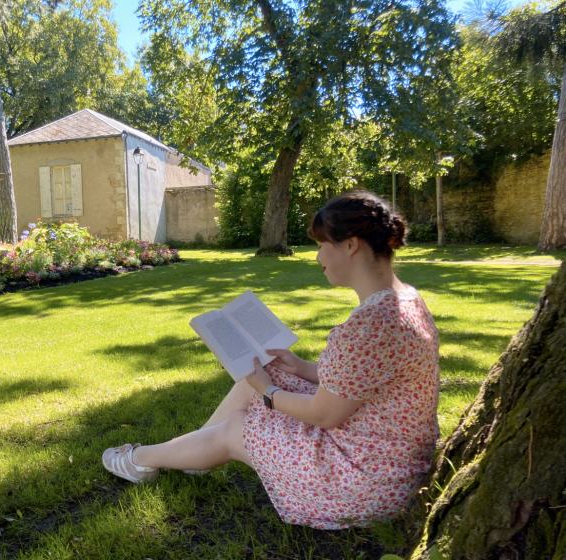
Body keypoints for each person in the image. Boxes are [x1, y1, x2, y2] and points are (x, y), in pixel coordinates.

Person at [102, 191, 441, 529]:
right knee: (250, 385)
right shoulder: (405, 300)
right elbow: (366, 382)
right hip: (390, 464)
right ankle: (189, 454)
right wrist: (301, 368)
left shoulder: (368, 326)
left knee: (240, 422)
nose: (318, 256)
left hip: (362, 482)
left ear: (351, 245)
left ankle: (140, 460)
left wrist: (268, 391)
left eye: (322, 245)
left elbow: (324, 414)